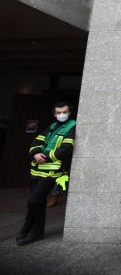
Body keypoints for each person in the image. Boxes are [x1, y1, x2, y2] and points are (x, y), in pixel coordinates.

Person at [16, 101, 76, 246]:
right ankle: (37, 232)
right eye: (58, 112)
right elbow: (37, 141)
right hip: (38, 170)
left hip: (53, 171)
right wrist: (36, 153)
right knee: (38, 202)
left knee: (34, 201)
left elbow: (67, 148)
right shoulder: (52, 126)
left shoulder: (73, 126)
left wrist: (46, 156)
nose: (61, 115)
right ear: (54, 113)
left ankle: (27, 229)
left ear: (69, 112)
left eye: (64, 112)